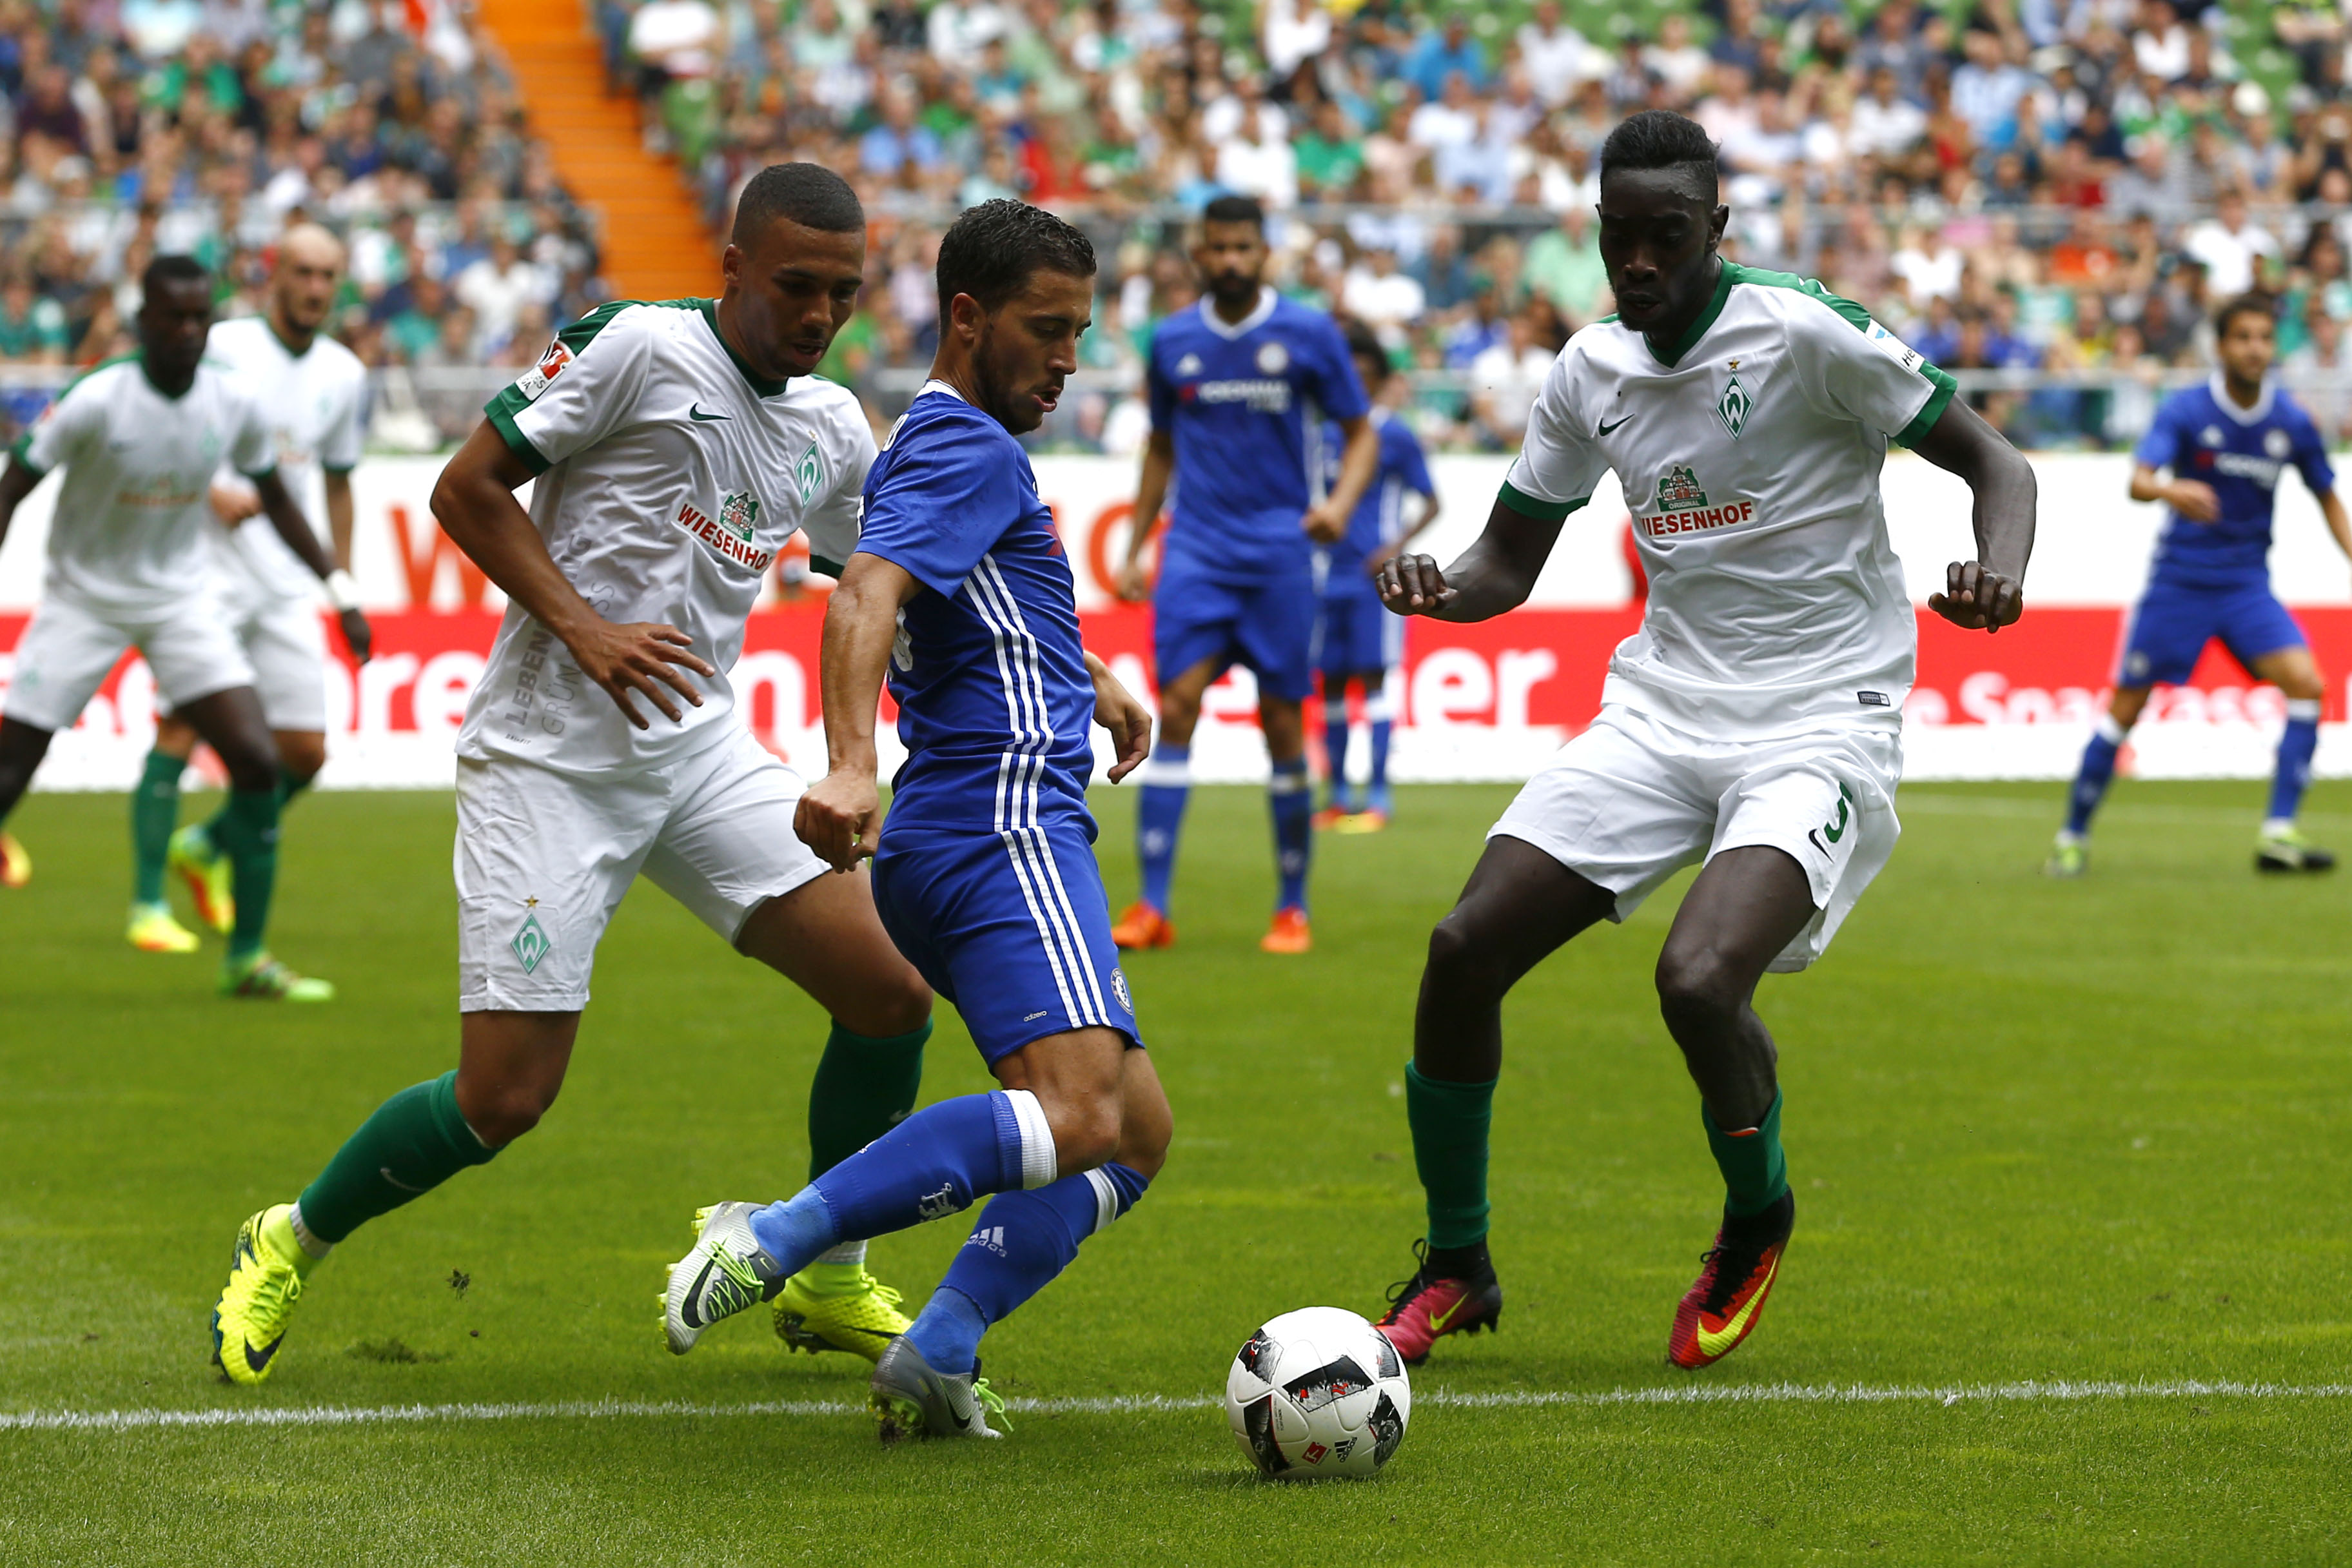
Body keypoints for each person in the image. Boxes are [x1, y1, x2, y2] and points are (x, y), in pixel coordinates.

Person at [207, 166, 936, 1387]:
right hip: (547, 752)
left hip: (697, 746)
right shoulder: (638, 348)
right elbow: (464, 488)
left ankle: (824, 1273)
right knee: (505, 1098)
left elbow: (875, 585)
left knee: (889, 994)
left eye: (844, 292)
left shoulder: (832, 424)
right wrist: (587, 627)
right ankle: (289, 1233)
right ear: (734, 268)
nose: (819, 315)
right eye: (797, 285)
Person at [1367, 111, 2035, 1371]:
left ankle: (1756, 1215)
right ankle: (1459, 1264)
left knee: (1696, 979)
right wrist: (1434, 586)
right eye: (1619, 239)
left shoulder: (1803, 332)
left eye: (1665, 237)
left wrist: (1998, 573)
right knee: (1462, 950)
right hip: (1661, 714)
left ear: (1716, 229)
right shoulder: (1589, 372)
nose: (1638, 265)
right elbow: (1507, 563)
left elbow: (2000, 463)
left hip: (1820, 721)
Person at [663, 199, 1169, 1442]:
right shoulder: (969, 448)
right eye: (1044, 330)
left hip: (966, 821)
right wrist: (847, 764)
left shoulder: (943, 445)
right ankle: (776, 1233)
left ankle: (939, 1347)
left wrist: (1084, 672)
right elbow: (866, 597)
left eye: (1079, 333)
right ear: (964, 317)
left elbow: (959, 596)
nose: (1067, 359)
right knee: (1082, 1116)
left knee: (1133, 1133)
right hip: (1002, 816)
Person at [0, 255, 351, 999]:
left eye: (201, 317)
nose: (190, 330)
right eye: (175, 317)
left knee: (257, 760)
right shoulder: (97, 398)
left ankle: (246, 959)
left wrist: (339, 586)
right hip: (83, 598)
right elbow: (14, 485)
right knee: (10, 770)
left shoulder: (230, 398)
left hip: (181, 599)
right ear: (145, 321)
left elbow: (280, 499)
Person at [1111, 193, 1378, 956]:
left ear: (1266, 255)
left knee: (1284, 721)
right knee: (1177, 704)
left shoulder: (1307, 332)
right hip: (1195, 548)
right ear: (1198, 253)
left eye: (1243, 249)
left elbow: (1360, 434)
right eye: (1217, 248)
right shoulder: (1172, 341)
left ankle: (1292, 907)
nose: (1229, 260)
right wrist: (1135, 545)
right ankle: (1152, 905)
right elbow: (1161, 445)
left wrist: (1339, 503)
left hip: (1280, 553)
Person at [128, 224, 372, 959]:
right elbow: (159, 428)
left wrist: (342, 583)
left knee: (304, 751)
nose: (315, 288)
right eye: (302, 271)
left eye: (328, 274)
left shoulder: (345, 374)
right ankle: (146, 906)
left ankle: (204, 844)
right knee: (179, 726)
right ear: (274, 274)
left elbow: (336, 484)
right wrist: (210, 493)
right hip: (199, 569)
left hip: (281, 580)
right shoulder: (224, 343)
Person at [2050, 296, 2351, 877]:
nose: (2255, 348)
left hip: (2246, 589)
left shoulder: (2291, 421)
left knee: (2309, 685)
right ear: (2221, 345)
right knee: (2124, 710)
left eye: (2265, 337)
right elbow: (2138, 481)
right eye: (2243, 337)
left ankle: (2279, 834)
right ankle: (2072, 838)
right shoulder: (2188, 411)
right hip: (2180, 586)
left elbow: (2328, 495)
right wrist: (2170, 490)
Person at [1315, 318, 1438, 831]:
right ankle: (1340, 792)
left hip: (1375, 581)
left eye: (1367, 374)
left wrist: (1394, 548)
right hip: (1323, 577)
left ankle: (1380, 793)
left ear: (1382, 379)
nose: (1358, 382)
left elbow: (1432, 502)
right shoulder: (1320, 430)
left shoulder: (1393, 434)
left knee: (1375, 679)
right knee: (1331, 684)